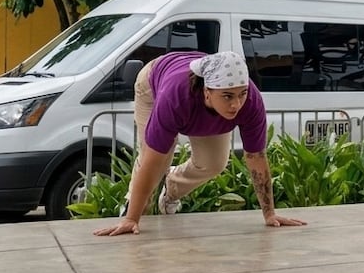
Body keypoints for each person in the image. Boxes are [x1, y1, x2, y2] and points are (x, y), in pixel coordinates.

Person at [94, 50, 306, 236]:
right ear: (207, 91)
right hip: (153, 82)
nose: (236, 104)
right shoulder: (175, 98)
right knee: (158, 158)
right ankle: (133, 211)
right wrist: (132, 219)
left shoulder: (251, 102)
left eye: (242, 94)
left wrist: (269, 214)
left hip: (197, 101)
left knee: (214, 163)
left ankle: (171, 189)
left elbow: (256, 158)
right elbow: (152, 159)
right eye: (228, 96)